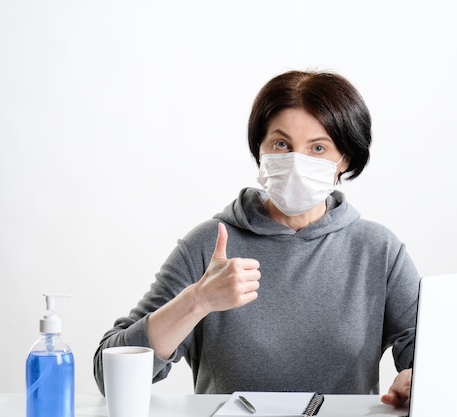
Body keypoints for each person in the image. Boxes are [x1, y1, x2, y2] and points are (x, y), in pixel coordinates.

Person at [93, 70, 419, 407]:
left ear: (344, 159)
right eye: (282, 144)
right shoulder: (210, 244)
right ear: (260, 151)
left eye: (318, 147)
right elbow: (108, 371)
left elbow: (426, 355)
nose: (296, 162)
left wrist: (415, 378)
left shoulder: (378, 251)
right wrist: (197, 301)